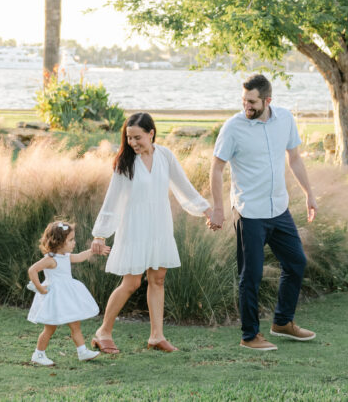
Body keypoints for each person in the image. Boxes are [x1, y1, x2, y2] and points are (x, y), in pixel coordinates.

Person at [208, 73, 318, 351]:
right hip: (250, 212)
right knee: (251, 275)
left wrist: (309, 194)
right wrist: (219, 209)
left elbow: (294, 158)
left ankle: (282, 322)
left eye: (253, 101)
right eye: (244, 100)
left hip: (278, 209)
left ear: (268, 100)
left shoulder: (285, 120)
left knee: (296, 263)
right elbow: (217, 168)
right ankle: (249, 336)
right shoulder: (233, 127)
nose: (247, 106)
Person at [89, 112, 212, 354]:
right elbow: (112, 199)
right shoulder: (125, 163)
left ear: (151, 133)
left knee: (158, 279)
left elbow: (182, 185)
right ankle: (103, 332)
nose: (133, 143)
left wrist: (206, 210)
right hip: (134, 226)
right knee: (131, 282)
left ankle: (157, 336)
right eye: (129, 138)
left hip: (159, 225)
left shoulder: (165, 155)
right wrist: (100, 234)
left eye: (138, 137)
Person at [27, 220, 102, 366]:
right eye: (71, 240)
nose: (74, 243)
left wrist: (93, 250)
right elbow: (32, 270)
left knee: (75, 324)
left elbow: (80, 257)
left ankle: (82, 351)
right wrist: (40, 288)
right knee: (50, 328)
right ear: (59, 242)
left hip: (67, 297)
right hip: (55, 299)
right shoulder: (50, 260)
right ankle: (38, 354)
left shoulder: (65, 257)